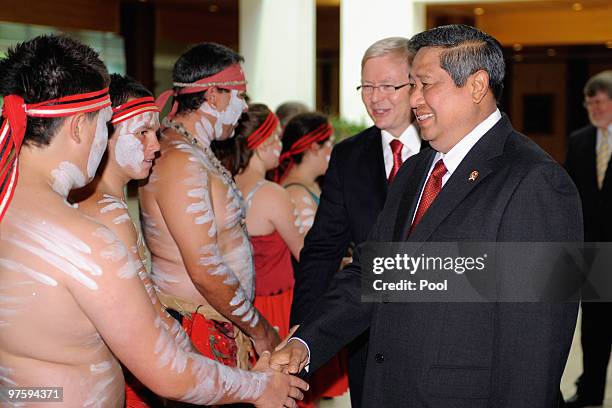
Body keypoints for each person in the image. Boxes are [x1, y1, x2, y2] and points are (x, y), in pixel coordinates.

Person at [272, 24, 582, 408]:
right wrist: (307, 342)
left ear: (476, 86)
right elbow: (375, 273)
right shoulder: (417, 170)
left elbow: (535, 343)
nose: (414, 99)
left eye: (424, 84)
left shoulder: (537, 181)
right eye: (412, 85)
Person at [0, 35, 307, 407]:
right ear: (80, 125)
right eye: (105, 122)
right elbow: (167, 372)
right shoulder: (85, 241)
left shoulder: (12, 208)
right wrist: (259, 387)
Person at [288, 37, 422, 407]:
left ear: (415, 85)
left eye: (388, 86)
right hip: (369, 333)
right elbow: (322, 248)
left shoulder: (443, 147)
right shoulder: (349, 156)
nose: (375, 97)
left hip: (434, 330)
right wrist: (304, 327)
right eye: (367, 86)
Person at [140, 43, 281, 372]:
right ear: (215, 95)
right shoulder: (179, 161)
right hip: (197, 332)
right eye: (240, 95)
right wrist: (259, 331)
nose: (245, 108)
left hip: (219, 325)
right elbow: (204, 268)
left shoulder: (193, 152)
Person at [70, 73, 163, 407]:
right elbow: (146, 322)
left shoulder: (99, 201)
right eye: (142, 132)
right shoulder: (110, 214)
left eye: (156, 132)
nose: (156, 146)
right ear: (105, 134)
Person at [213, 103, 303, 340]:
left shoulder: (221, 186)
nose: (281, 146)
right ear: (263, 144)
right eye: (277, 138)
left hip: (235, 306)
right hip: (274, 306)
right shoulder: (272, 194)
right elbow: (305, 253)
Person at [564, 70, 612, 408]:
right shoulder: (579, 141)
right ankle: (590, 391)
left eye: (599, 102)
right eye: (588, 102)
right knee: (593, 329)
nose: (593, 108)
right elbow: (570, 193)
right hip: (593, 254)